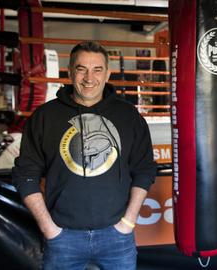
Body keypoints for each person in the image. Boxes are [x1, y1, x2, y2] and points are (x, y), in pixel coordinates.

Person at [12, 41, 156, 270]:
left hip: (117, 237)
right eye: (81, 69)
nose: (90, 78)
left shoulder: (128, 116)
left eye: (97, 69)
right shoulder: (44, 117)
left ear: (107, 73)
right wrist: (49, 228)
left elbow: (144, 169)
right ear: (70, 71)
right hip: (62, 238)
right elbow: (25, 175)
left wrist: (128, 222)